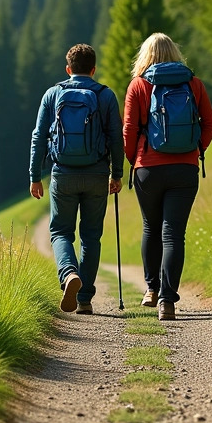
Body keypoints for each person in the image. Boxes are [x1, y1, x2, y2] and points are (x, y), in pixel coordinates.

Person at [122, 33, 212, 321]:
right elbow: (210, 123)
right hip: (185, 169)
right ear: (175, 52)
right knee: (173, 233)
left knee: (151, 227)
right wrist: (195, 149)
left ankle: (151, 289)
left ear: (145, 55)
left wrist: (134, 160)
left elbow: (128, 130)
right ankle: (167, 301)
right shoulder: (193, 84)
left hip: (148, 169)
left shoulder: (139, 85)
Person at [29, 44, 124, 314]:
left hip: (63, 173)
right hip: (96, 173)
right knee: (91, 236)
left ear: (68, 69)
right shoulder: (105, 96)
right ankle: (84, 299)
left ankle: (69, 273)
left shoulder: (53, 94)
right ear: (94, 70)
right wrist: (117, 173)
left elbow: (38, 137)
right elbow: (117, 138)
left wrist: (35, 176)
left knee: (60, 231)